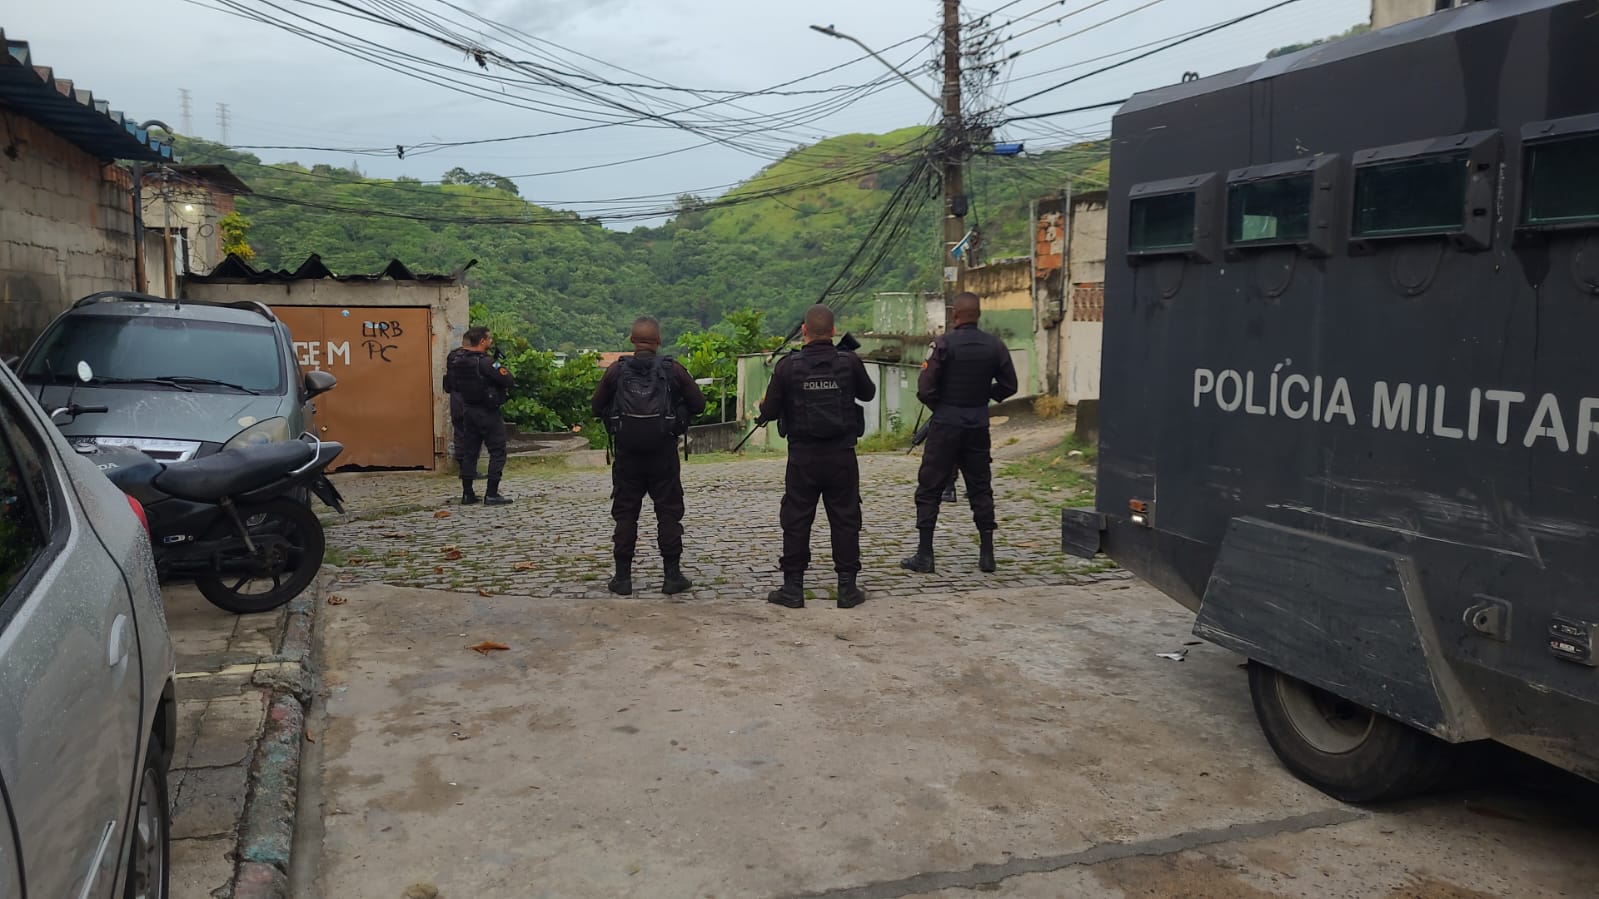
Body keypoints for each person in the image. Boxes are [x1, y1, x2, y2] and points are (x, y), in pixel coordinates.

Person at [759, 304, 876, 610]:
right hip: (842, 456)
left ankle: (793, 589)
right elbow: (868, 393)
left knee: (796, 519)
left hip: (803, 457)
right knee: (846, 517)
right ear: (834, 331)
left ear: (804, 331)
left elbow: (769, 411)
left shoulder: (787, 366)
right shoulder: (849, 361)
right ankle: (848, 588)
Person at [902, 291, 1018, 574]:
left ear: (955, 315)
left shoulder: (943, 344)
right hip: (978, 424)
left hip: (945, 426)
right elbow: (1009, 385)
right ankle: (987, 554)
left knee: (930, 488)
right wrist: (982, 396)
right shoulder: (995, 346)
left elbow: (925, 389)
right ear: (978, 315)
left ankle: (925, 554)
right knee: (980, 487)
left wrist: (942, 406)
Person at [592, 316, 706, 597]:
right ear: (658, 341)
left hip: (627, 455)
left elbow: (596, 407)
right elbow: (699, 404)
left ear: (632, 341)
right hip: (663, 454)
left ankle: (622, 579)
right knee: (668, 512)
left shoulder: (616, 371)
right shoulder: (673, 370)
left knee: (625, 513)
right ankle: (671, 576)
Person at [443, 327, 514, 506]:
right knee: (497, 451)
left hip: (468, 410)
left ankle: (467, 493)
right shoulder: (486, 362)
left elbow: (452, 385)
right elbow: (508, 379)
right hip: (487, 411)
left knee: (470, 452)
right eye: (488, 339)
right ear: (482, 341)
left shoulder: (457, 361)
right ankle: (491, 493)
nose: (490, 342)